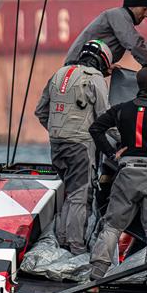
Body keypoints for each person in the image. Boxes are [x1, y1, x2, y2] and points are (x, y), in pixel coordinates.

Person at [88, 66, 147, 293]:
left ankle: (96, 278)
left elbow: (95, 128)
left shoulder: (121, 110)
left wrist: (112, 154)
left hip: (126, 175)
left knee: (112, 227)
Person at [34, 40, 113, 255]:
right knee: (80, 196)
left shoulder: (58, 74)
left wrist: (58, 131)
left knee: (69, 192)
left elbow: (41, 111)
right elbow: (104, 117)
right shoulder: (94, 79)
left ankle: (61, 243)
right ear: (102, 61)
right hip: (80, 146)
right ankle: (76, 248)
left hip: (57, 145)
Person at [65, 0, 147, 68]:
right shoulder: (119, 15)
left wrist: (105, 68)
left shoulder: (120, 17)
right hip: (76, 66)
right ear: (132, 6)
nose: (146, 14)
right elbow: (135, 44)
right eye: (144, 9)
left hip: (83, 66)